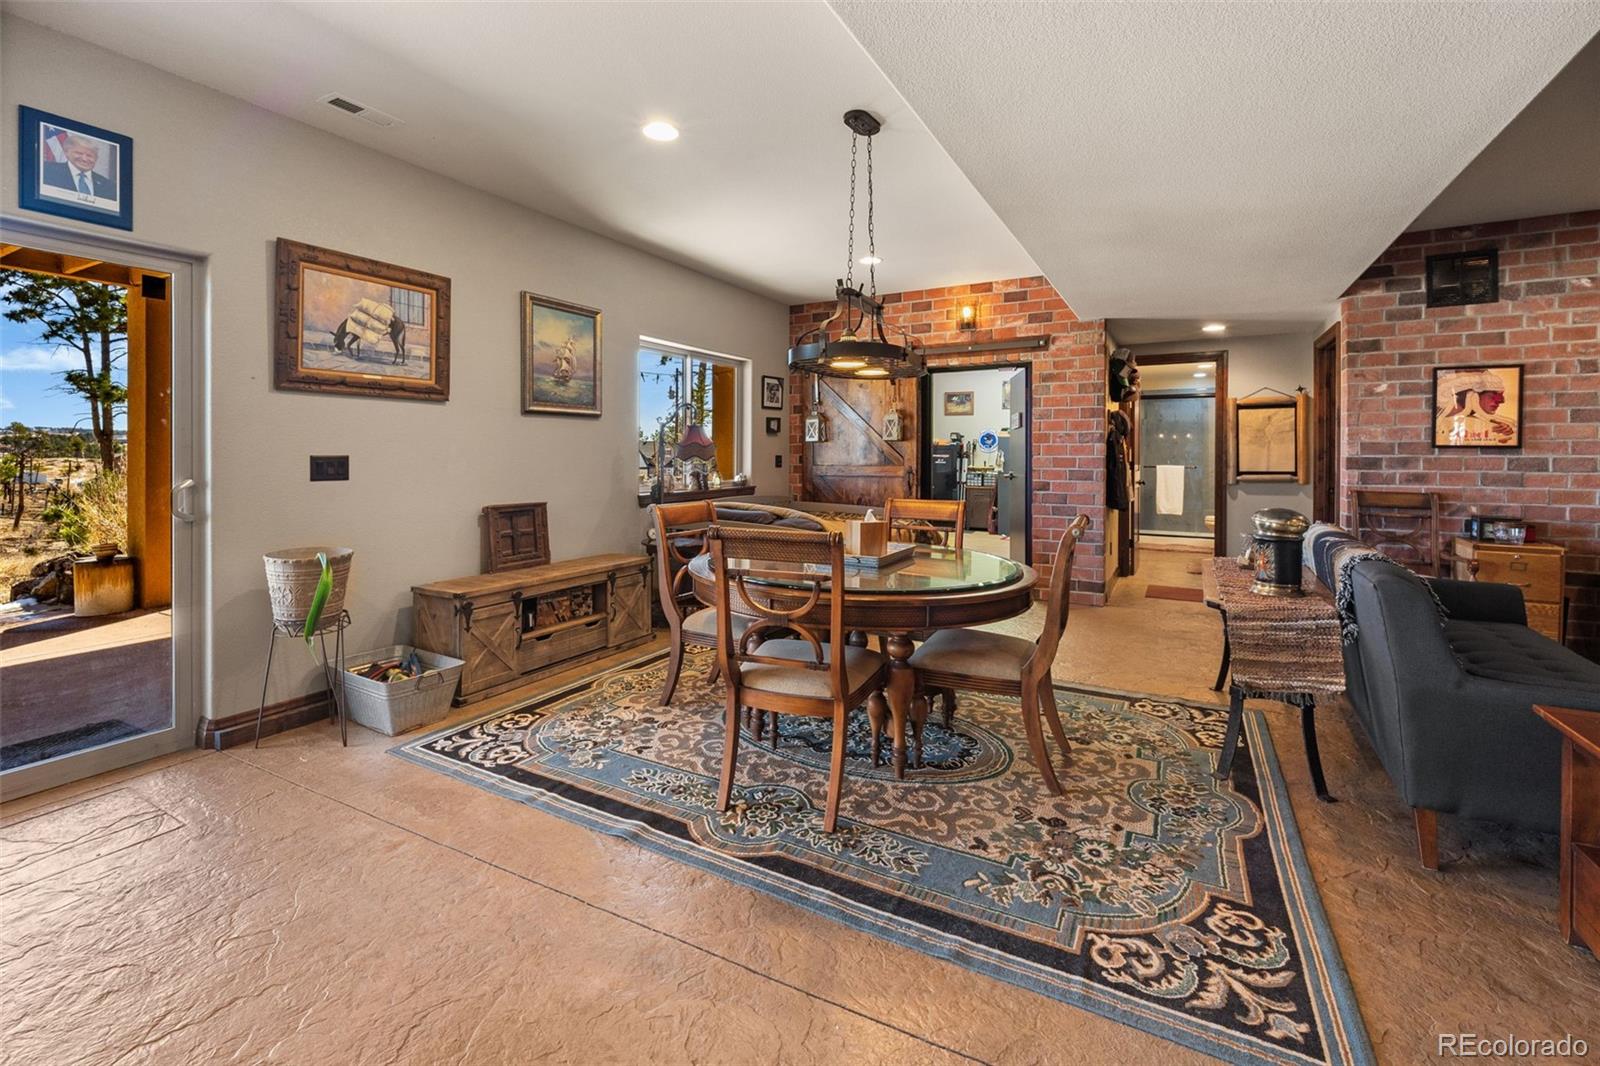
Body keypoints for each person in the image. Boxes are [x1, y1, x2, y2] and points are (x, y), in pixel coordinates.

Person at [1436, 369, 1517, 445]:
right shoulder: (1443, 409)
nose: (1500, 402)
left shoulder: (1470, 419)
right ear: (1474, 395)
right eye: (1492, 396)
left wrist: (1496, 428)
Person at [42, 134, 116, 200]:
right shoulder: (47, 171)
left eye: (90, 155)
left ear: (96, 158)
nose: (84, 159)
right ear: (66, 152)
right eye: (79, 153)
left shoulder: (108, 185)